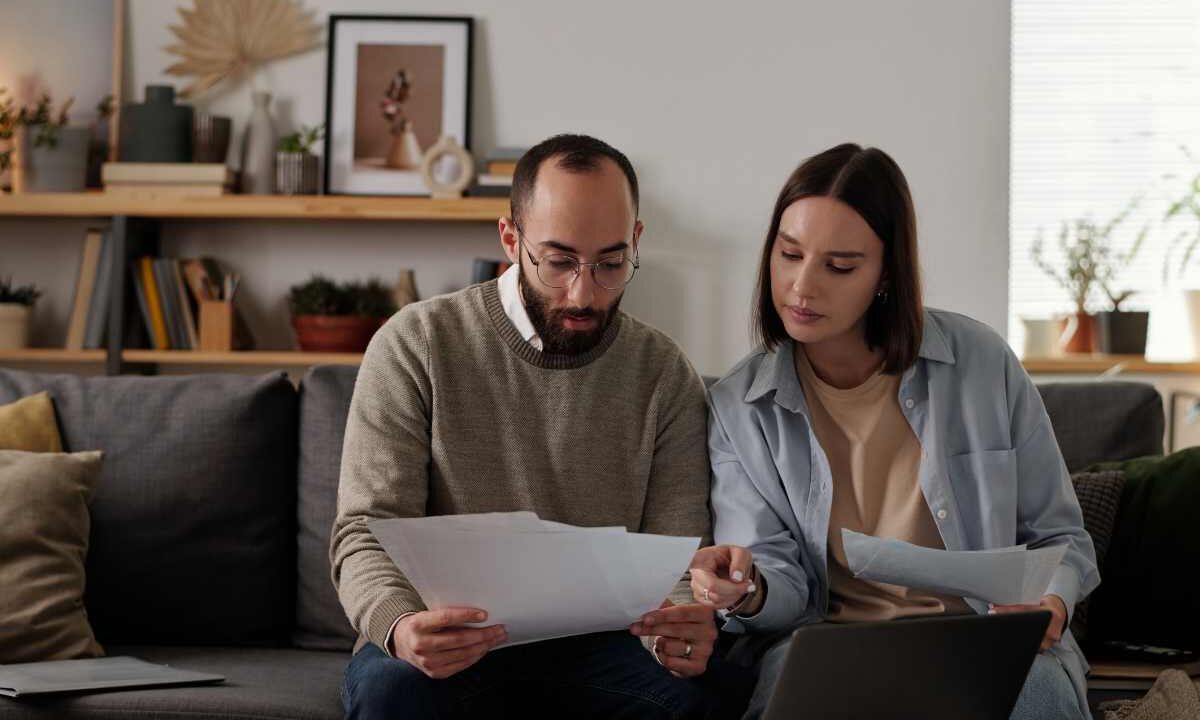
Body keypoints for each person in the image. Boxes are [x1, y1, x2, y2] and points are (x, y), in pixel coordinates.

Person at [332, 133, 741, 719]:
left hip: (608, 648)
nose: (584, 292)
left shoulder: (664, 373)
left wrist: (678, 628)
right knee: (392, 694)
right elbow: (363, 532)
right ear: (510, 238)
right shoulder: (415, 343)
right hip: (448, 640)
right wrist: (399, 627)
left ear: (636, 241)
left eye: (611, 263)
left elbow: (678, 558)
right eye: (558, 261)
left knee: (707, 697)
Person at [689, 143, 1099, 720]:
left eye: (840, 266)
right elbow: (776, 578)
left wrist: (1052, 600)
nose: (802, 287)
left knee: (1039, 698)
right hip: (828, 644)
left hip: (984, 638)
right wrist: (748, 588)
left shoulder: (981, 362)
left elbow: (1060, 536)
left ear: (886, 274)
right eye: (789, 255)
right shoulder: (738, 407)